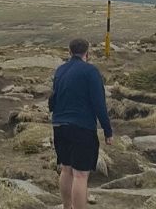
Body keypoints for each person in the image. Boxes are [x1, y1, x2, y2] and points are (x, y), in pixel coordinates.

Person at [49, 38, 114, 209]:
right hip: (82, 127)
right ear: (87, 52)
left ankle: (66, 206)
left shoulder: (60, 70)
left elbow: (52, 100)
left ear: (69, 51)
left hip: (59, 125)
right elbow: (99, 104)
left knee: (66, 169)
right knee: (80, 175)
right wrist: (108, 131)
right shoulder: (90, 71)